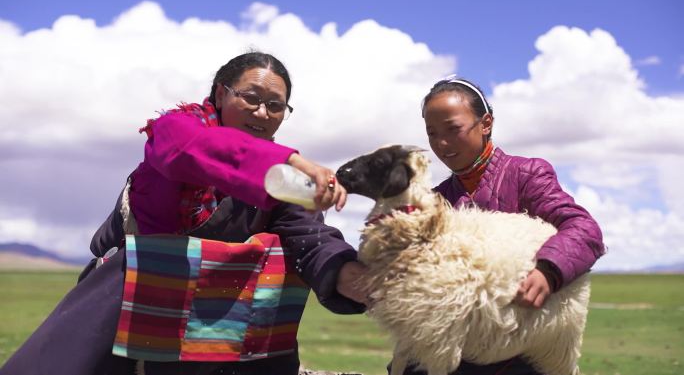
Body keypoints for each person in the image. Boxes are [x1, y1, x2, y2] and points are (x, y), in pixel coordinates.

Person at [0, 52, 367, 375]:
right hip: (119, 309)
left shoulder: (282, 183)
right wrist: (292, 160)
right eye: (252, 98)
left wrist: (350, 275)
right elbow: (198, 151)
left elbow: (308, 237)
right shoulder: (175, 131)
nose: (262, 112)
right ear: (221, 94)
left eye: (275, 105)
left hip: (211, 332)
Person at [391, 75, 605, 375]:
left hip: (523, 341)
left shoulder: (527, 175)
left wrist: (548, 270)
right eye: (432, 133)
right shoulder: (436, 201)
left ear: (486, 123)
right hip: (460, 344)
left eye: (453, 129)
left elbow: (584, 229)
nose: (441, 143)